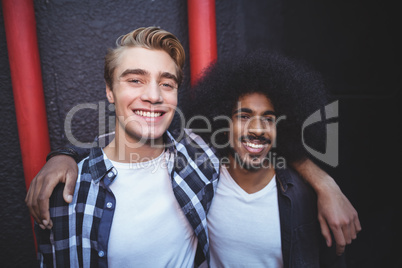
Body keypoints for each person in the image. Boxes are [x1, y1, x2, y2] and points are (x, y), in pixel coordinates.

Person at [27, 27, 360, 267]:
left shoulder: (198, 156)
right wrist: (64, 157)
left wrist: (325, 183)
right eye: (135, 80)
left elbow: (268, 142)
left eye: (166, 83)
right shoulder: (67, 192)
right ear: (110, 92)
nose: (154, 95)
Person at [184, 51, 347, 267]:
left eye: (268, 119)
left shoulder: (304, 198)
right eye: (244, 116)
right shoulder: (202, 180)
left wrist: (326, 185)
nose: (258, 129)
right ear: (223, 125)